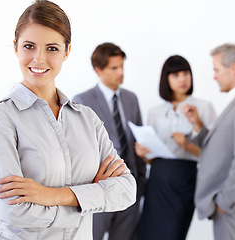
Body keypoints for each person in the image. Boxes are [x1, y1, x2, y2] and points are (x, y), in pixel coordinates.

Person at [0, 1, 136, 239]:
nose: (39, 59)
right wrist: (91, 198)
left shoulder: (87, 118)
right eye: (29, 46)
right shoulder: (1, 116)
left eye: (52, 48)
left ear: (67, 51)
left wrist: (52, 195)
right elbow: (13, 211)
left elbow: (127, 190)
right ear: (15, 47)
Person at [182, 43, 235, 240]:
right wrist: (197, 124)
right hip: (233, 208)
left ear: (234, 69)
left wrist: (224, 203)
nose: (214, 76)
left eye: (216, 70)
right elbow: (221, 148)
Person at [136, 55, 217, 240]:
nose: (182, 79)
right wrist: (143, 155)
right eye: (175, 75)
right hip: (158, 180)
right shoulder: (155, 112)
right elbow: (152, 158)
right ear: (166, 79)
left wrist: (187, 145)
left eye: (185, 73)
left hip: (184, 179)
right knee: (148, 233)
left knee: (174, 233)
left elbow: (213, 154)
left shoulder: (204, 108)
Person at [73, 42, 146, 240]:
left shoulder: (131, 99)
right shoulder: (82, 101)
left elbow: (136, 139)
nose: (121, 72)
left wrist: (140, 182)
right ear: (98, 70)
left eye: (122, 66)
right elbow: (78, 150)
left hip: (129, 188)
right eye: (114, 68)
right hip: (99, 188)